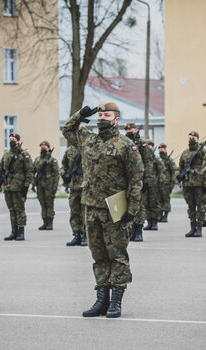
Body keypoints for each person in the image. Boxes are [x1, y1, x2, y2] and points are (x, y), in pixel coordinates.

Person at [63, 102, 143, 318]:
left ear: (116, 119)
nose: (101, 118)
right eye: (99, 115)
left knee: (117, 255)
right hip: (91, 207)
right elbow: (67, 130)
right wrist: (81, 115)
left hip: (114, 208)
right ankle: (101, 299)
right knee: (98, 255)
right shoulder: (88, 140)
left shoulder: (126, 145)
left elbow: (136, 178)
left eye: (106, 115)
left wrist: (132, 209)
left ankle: (116, 300)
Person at [0, 133, 33, 241]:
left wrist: (26, 186)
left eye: (13, 139)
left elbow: (29, 171)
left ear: (18, 141)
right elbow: (1, 168)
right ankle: (14, 231)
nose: (11, 141)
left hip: (19, 186)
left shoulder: (24, 154)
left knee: (19, 210)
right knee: (11, 210)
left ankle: (21, 232)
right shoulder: (6, 154)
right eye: (9, 139)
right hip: (8, 186)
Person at [124, 122, 152, 242]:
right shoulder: (123, 142)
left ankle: (139, 229)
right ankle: (131, 230)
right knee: (127, 205)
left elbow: (148, 162)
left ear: (136, 130)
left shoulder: (142, 144)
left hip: (139, 178)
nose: (130, 131)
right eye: (127, 130)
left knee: (139, 205)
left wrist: (147, 179)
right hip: (126, 179)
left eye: (132, 130)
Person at [178, 131, 206, 237]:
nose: (191, 139)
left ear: (198, 139)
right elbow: (180, 167)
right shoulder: (185, 153)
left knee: (200, 206)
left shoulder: (202, 152)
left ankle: (199, 228)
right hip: (187, 183)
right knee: (190, 206)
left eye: (194, 137)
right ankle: (192, 227)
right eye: (190, 137)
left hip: (199, 183)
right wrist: (179, 177)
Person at [61, 144, 87, 246]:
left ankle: (86, 235)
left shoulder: (89, 147)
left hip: (85, 185)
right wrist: (63, 174)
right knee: (74, 211)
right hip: (73, 185)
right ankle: (77, 235)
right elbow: (64, 165)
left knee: (85, 212)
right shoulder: (70, 150)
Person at [33, 141, 59, 231]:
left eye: (44, 146)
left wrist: (55, 187)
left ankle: (50, 222)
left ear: (48, 148)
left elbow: (56, 174)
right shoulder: (37, 159)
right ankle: (44, 222)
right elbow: (33, 171)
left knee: (49, 203)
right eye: (41, 146)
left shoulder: (52, 160)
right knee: (42, 203)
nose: (43, 148)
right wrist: (33, 183)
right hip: (40, 184)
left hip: (49, 184)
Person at [144, 139, 166, 231]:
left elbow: (162, 171)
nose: (148, 148)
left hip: (154, 185)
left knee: (154, 204)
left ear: (153, 147)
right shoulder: (144, 159)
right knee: (146, 204)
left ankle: (154, 223)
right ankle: (149, 222)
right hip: (145, 184)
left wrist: (160, 183)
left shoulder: (156, 159)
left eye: (150, 146)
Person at [158, 143, 178, 223]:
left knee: (165, 200)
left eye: (162, 148)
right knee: (158, 200)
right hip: (159, 183)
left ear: (165, 149)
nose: (161, 150)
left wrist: (172, 182)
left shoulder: (169, 160)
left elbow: (174, 171)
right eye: (160, 148)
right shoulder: (158, 159)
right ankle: (160, 215)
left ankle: (165, 215)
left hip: (167, 183)